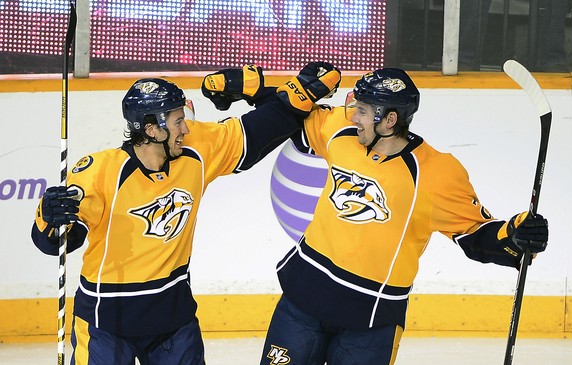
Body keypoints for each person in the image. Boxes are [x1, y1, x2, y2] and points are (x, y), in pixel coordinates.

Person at [213, 67, 549, 364]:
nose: (353, 116)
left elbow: (477, 234)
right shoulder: (342, 132)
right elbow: (297, 112)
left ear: (389, 120)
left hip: (371, 318)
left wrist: (515, 235)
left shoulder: (436, 173)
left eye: (362, 110)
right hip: (302, 300)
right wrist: (262, 92)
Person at [30, 63, 340, 365]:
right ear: (152, 129)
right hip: (106, 320)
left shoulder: (196, 149)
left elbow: (263, 129)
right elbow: (61, 242)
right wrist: (49, 216)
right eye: (178, 121)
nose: (186, 128)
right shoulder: (99, 171)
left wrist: (293, 95)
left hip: (172, 319)